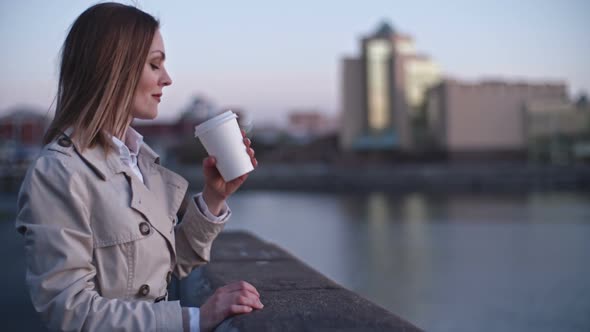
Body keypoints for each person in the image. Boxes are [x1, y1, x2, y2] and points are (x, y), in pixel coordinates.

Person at [15, 3, 262, 331]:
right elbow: (69, 310)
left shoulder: (139, 160)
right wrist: (196, 319)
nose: (168, 78)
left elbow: (168, 266)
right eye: (154, 64)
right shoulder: (59, 172)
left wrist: (214, 197)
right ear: (114, 68)